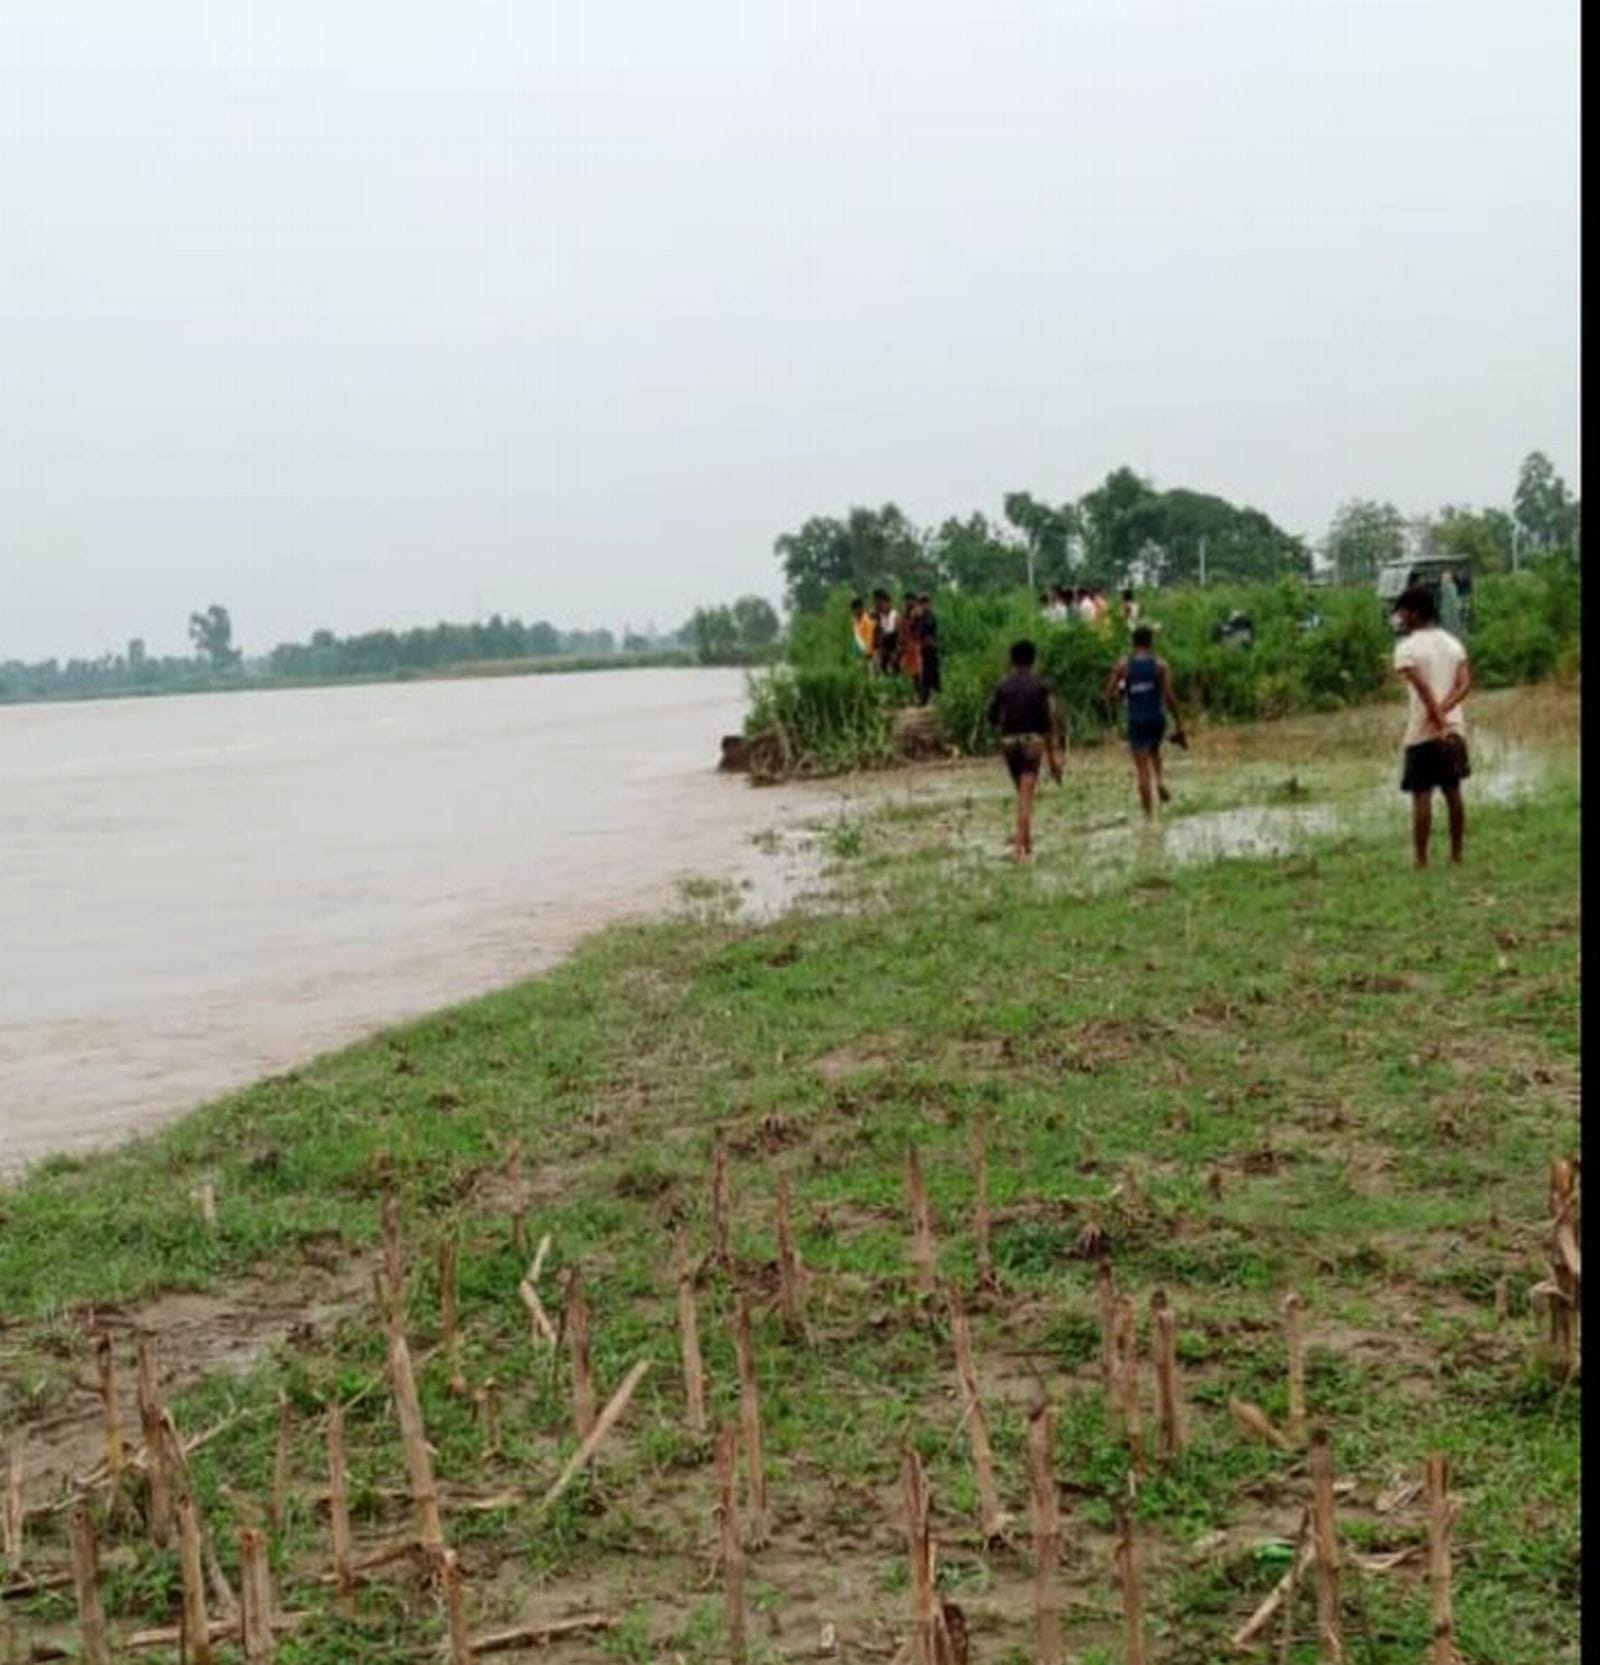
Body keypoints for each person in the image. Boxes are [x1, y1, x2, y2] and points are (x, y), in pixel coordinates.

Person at [1392, 584, 1472, 867]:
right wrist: (1447, 717)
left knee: (1421, 796)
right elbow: (1464, 685)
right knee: (1453, 792)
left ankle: (1421, 860)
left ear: (1414, 612)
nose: (1400, 618)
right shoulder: (1453, 644)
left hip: (1422, 733)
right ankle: (1456, 855)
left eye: (1402, 612)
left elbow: (1424, 690)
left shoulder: (1406, 649)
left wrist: (1437, 721)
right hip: (1455, 729)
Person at [986, 639, 1064, 862]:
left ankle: (1027, 844)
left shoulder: (1002, 686)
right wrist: (1053, 757)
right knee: (1026, 795)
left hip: (1009, 743)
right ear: (1033, 660)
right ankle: (1019, 848)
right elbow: (1048, 722)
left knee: (1022, 794)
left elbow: (993, 718)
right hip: (1032, 742)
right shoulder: (1041, 686)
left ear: (1012, 660)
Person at [1103, 625, 1186, 818]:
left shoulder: (1123, 666)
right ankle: (1159, 780)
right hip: (1156, 718)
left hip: (1136, 719)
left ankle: (1148, 817)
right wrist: (1179, 722)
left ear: (1134, 643)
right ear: (1151, 642)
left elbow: (1108, 695)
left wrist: (1121, 695)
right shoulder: (1160, 665)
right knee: (1155, 750)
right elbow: (1170, 697)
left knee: (1141, 770)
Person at [912, 593, 941, 705]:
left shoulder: (931, 616)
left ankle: (935, 697)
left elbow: (929, 627)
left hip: (931, 648)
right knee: (923, 674)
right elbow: (914, 630)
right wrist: (916, 618)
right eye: (922, 603)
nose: (924, 606)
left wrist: (919, 617)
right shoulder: (918, 617)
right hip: (922, 649)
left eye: (926, 603)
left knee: (933, 672)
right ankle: (924, 698)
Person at [897, 590, 923, 688]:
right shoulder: (903, 615)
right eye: (907, 600)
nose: (908, 602)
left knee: (918, 670)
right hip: (907, 646)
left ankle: (922, 693)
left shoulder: (918, 613)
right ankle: (913, 691)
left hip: (917, 645)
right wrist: (900, 645)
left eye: (910, 600)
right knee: (908, 670)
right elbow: (901, 632)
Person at [872, 589, 899, 674]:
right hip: (881, 650)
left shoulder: (894, 615)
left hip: (892, 650)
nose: (881, 606)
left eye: (882, 603)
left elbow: (892, 632)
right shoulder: (879, 616)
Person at [849, 597, 876, 666]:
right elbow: (855, 637)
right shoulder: (854, 621)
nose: (855, 611)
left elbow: (870, 637)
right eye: (854, 609)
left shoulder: (867, 620)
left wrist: (868, 652)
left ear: (861, 608)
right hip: (858, 651)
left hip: (868, 653)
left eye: (857, 608)